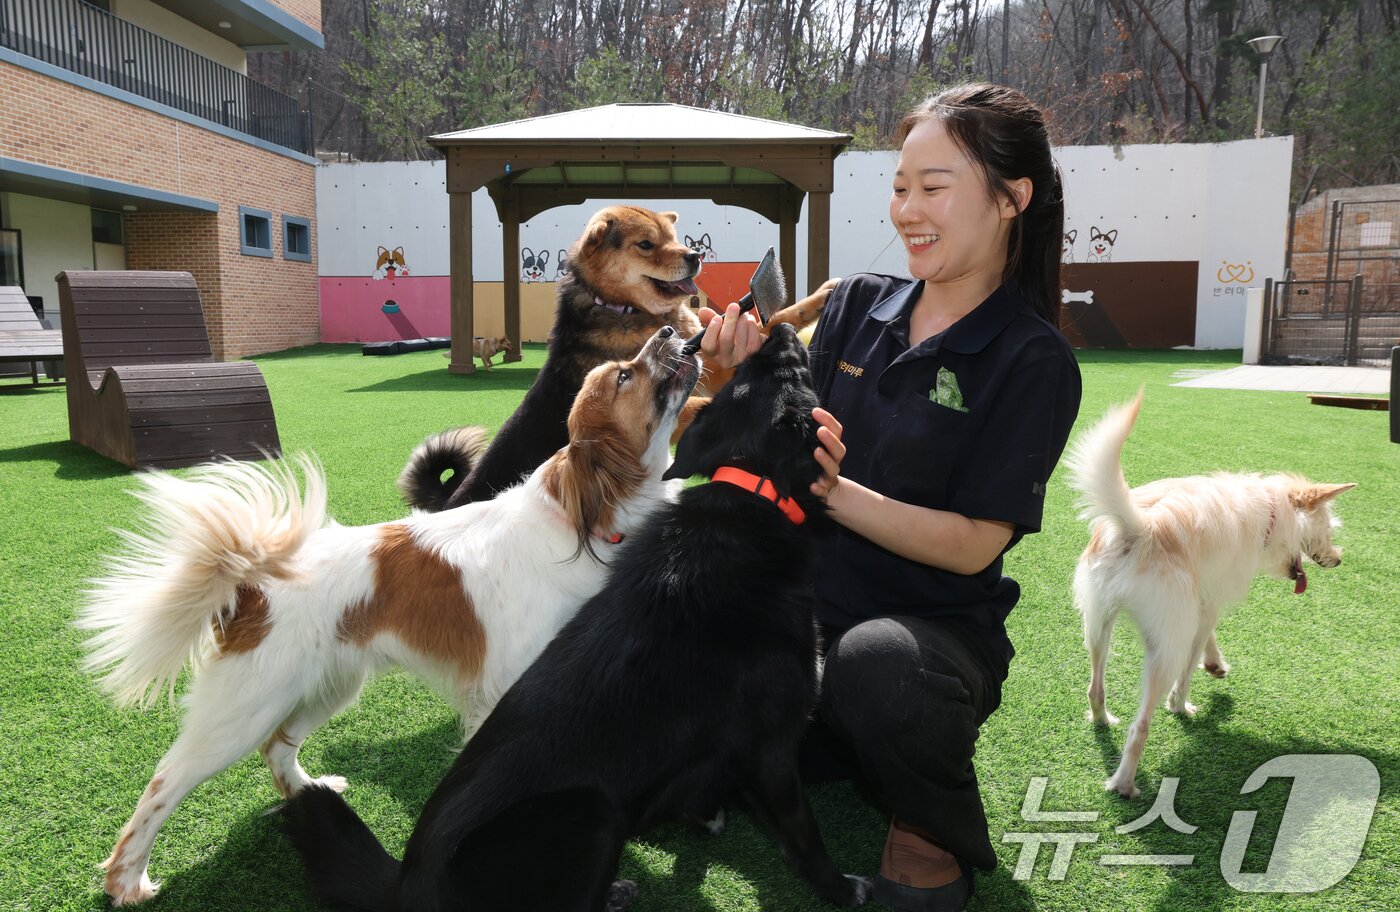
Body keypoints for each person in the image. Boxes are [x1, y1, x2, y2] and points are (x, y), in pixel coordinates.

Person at [697, 83, 1082, 912]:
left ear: (1012, 198)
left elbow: (977, 542)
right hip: (798, 616)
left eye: (933, 186)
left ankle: (929, 831)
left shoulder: (1032, 359)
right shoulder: (855, 306)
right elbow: (763, 446)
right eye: (901, 186)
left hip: (924, 640)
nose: (908, 208)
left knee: (878, 672)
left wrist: (831, 489)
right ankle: (814, 746)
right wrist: (733, 379)